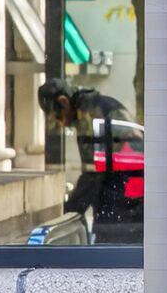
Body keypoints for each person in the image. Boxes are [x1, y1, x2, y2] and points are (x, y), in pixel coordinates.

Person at [37, 78, 144, 239]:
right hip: (128, 198)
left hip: (122, 203)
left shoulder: (88, 116)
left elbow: (92, 175)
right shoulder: (98, 105)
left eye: (58, 117)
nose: (61, 124)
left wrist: (70, 210)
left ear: (64, 102)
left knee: (108, 252)